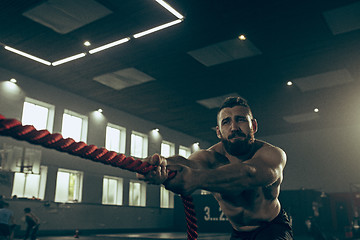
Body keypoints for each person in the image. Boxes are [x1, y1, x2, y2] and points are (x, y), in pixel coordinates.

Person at [137, 96, 293, 239]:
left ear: (254, 125)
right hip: (238, 233)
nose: (234, 127)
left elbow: (248, 174)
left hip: (273, 228)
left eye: (240, 120)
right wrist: (160, 165)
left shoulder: (272, 154)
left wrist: (195, 178)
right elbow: (188, 164)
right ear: (218, 132)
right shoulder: (209, 157)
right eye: (226, 122)